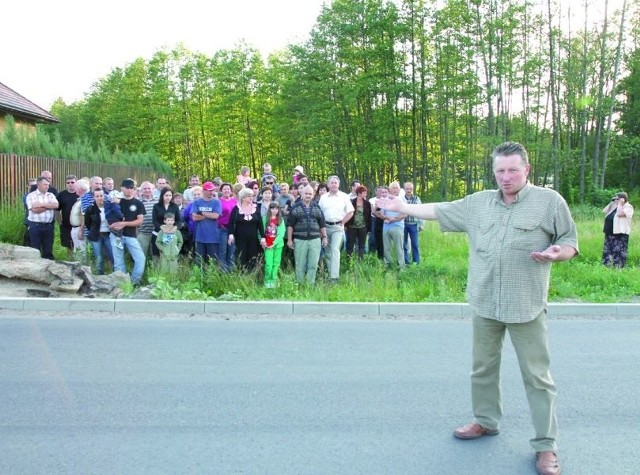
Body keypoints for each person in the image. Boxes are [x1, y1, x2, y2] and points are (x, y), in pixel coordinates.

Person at [376, 142, 578, 475]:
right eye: (500, 170)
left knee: (538, 378)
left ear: (527, 169)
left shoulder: (549, 202)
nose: (506, 177)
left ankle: (546, 446)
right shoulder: (480, 203)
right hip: (485, 302)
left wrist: (559, 252)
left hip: (526, 305)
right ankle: (486, 420)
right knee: (483, 368)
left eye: (513, 169)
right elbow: (441, 210)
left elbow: (570, 240)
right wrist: (405, 207)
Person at [287, 184, 327, 284]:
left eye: (310, 194)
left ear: (313, 195)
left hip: (315, 240)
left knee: (313, 264)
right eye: (306, 193)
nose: (308, 195)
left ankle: (310, 284)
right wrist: (289, 239)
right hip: (300, 240)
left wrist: (325, 237)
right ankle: (300, 284)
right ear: (301, 194)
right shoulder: (295, 207)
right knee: (300, 264)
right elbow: (290, 225)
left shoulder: (317, 207)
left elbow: (322, 223)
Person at [110, 179, 146, 285]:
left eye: (131, 188)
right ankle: (122, 284)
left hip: (131, 236)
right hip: (116, 236)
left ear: (134, 189)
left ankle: (134, 282)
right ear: (122, 188)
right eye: (127, 187)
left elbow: (140, 221)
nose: (129, 190)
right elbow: (108, 217)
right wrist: (112, 224)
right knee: (118, 262)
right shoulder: (116, 202)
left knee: (140, 259)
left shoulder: (138, 203)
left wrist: (124, 223)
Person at [318, 175, 354, 283]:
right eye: (331, 182)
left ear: (338, 185)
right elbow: (319, 213)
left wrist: (342, 222)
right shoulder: (323, 197)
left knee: (335, 250)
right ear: (328, 185)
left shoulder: (344, 196)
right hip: (326, 227)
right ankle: (330, 274)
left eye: (335, 183)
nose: (333, 184)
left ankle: (334, 277)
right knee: (328, 251)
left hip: (338, 228)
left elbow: (351, 212)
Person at [228, 187, 266, 270]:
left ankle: (252, 278)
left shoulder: (256, 209)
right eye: (249, 196)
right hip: (240, 240)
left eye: (252, 196)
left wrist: (263, 237)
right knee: (241, 259)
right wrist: (231, 234)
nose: (251, 198)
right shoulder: (236, 209)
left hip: (253, 240)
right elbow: (230, 223)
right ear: (243, 197)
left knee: (253, 259)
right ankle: (241, 278)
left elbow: (260, 223)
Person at [25, 176, 59, 259]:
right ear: (39, 185)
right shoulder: (31, 196)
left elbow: (56, 205)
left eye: (48, 185)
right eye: (45, 184)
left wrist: (41, 205)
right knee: (35, 249)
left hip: (48, 226)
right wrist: (49, 206)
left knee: (48, 250)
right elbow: (35, 210)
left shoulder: (50, 195)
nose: (47, 186)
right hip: (35, 226)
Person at [191, 182, 222, 266]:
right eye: (209, 190)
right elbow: (194, 217)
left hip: (213, 237)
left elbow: (216, 216)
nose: (211, 192)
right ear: (204, 191)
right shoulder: (197, 202)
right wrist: (209, 215)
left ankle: (212, 279)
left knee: (213, 263)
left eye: (212, 190)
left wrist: (201, 213)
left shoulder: (216, 202)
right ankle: (200, 278)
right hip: (200, 237)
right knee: (199, 262)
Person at [84, 189, 113, 275]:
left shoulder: (109, 207)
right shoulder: (90, 209)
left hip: (108, 235)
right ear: (94, 197)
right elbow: (87, 223)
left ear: (104, 196)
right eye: (97, 196)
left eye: (101, 196)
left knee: (112, 255)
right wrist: (94, 230)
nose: (100, 198)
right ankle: (100, 276)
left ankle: (115, 274)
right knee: (99, 257)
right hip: (96, 236)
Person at [152, 187, 182, 263]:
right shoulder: (156, 206)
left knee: (168, 255)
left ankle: (169, 273)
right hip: (158, 234)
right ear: (162, 195)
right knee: (157, 255)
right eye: (166, 195)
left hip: (171, 235)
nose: (168, 197)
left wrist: (175, 228)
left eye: (170, 195)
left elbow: (179, 220)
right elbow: (154, 221)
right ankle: (156, 272)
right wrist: (162, 228)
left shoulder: (174, 206)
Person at [382, 181, 406, 268]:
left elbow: (404, 214)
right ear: (390, 189)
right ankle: (387, 265)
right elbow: (382, 213)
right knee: (386, 248)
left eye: (396, 188)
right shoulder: (385, 200)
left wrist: (393, 219)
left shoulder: (402, 200)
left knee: (399, 247)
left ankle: (401, 266)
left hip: (397, 226)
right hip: (386, 227)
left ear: (399, 189)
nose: (395, 189)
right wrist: (386, 218)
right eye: (393, 188)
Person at [263, 202, 286, 288]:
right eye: (273, 208)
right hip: (267, 245)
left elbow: (281, 234)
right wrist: (263, 242)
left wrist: (274, 243)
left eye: (276, 209)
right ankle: (267, 280)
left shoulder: (280, 220)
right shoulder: (265, 219)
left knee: (276, 263)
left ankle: (274, 281)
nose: (274, 210)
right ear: (270, 209)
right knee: (269, 264)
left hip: (277, 245)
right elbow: (260, 232)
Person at [345, 185, 371, 259]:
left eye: (366, 193)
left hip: (363, 227)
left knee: (362, 245)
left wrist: (368, 229)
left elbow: (369, 217)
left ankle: (360, 260)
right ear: (359, 193)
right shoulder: (352, 202)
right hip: (352, 227)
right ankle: (348, 260)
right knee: (350, 244)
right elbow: (348, 213)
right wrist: (346, 225)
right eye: (364, 193)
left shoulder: (367, 203)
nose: (365, 194)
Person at [56, 174, 78, 259]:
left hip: (78, 225)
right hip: (66, 225)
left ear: (76, 182)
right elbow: (56, 210)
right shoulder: (61, 195)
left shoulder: (79, 194)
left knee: (79, 245)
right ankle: (70, 261)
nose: (70, 184)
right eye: (68, 182)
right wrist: (60, 222)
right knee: (69, 246)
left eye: (72, 182)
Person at [403, 181, 423, 265]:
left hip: (414, 224)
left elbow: (421, 211)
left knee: (415, 244)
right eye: (407, 189)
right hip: (403, 224)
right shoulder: (401, 199)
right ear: (404, 189)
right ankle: (406, 262)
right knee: (404, 244)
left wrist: (421, 224)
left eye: (410, 189)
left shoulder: (416, 199)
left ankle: (416, 262)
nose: (409, 190)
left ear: (413, 189)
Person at [218, 183, 237, 271]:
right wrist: (220, 225)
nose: (226, 190)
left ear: (231, 190)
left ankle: (231, 270)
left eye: (228, 189)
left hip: (232, 229)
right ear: (221, 191)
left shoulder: (235, 201)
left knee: (232, 250)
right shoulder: (218, 201)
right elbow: (217, 215)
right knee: (222, 250)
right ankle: (222, 270)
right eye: (224, 189)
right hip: (223, 228)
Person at [137, 181, 158, 257]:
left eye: (149, 188)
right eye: (145, 188)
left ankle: (155, 269)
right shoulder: (137, 202)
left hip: (156, 233)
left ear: (153, 189)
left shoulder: (158, 201)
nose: (147, 190)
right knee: (141, 256)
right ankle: (142, 269)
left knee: (156, 256)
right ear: (141, 190)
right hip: (142, 233)